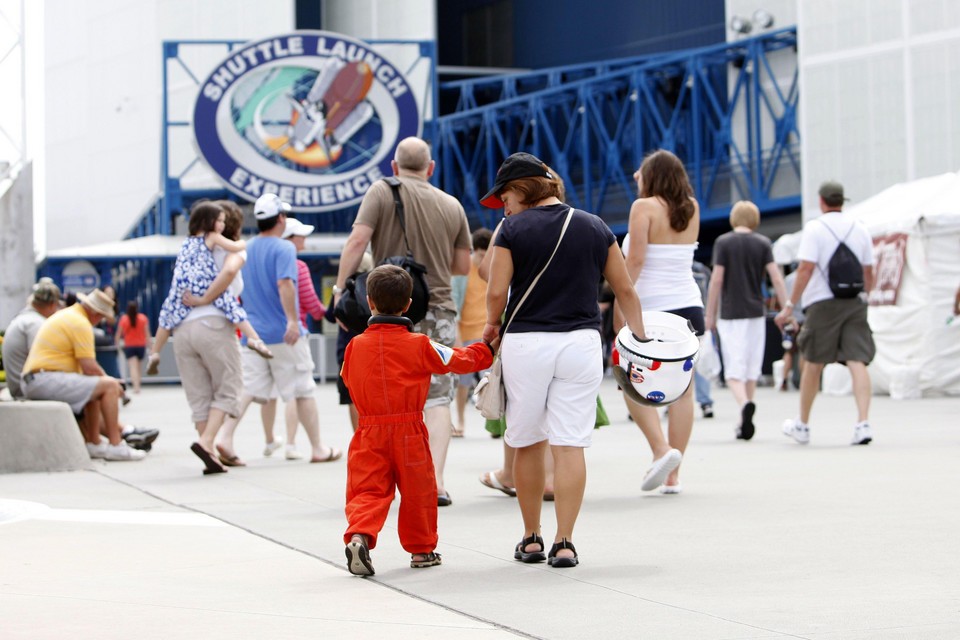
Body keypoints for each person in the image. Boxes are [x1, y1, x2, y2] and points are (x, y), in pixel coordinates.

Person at [481, 152, 647, 568]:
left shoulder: (511, 229)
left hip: (527, 343)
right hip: (581, 343)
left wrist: (489, 324)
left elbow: (497, 290)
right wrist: (640, 338)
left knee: (526, 440)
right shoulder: (595, 225)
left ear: (524, 188)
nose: (503, 204)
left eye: (505, 195)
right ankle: (566, 541)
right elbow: (624, 290)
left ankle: (532, 537)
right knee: (570, 444)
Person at [334, 137, 471, 506]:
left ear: (394, 167)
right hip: (439, 307)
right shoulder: (452, 204)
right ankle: (436, 482)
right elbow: (462, 267)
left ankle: (382, 480)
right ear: (431, 168)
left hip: (391, 310)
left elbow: (357, 240)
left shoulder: (381, 190)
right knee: (438, 397)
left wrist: (339, 288)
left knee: (386, 397)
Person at [342, 265, 494, 576]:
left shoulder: (354, 346)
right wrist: (488, 349)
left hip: (369, 430)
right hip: (409, 429)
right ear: (409, 304)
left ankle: (360, 535)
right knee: (418, 492)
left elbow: (348, 379)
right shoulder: (420, 344)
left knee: (368, 490)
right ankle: (422, 551)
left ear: (369, 302)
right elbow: (459, 360)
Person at [216, 193, 340, 464]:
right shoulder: (284, 249)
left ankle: (224, 437)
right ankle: (318, 448)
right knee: (303, 389)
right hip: (285, 335)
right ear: (281, 219)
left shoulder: (245, 248)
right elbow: (286, 285)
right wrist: (293, 321)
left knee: (248, 389)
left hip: (253, 334)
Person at [620, 149, 702, 494]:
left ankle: (660, 449)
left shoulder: (643, 208)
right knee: (683, 392)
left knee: (632, 382)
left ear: (651, 175)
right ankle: (673, 474)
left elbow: (635, 261)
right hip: (689, 307)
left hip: (651, 311)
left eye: (640, 172)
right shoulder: (692, 207)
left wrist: (621, 308)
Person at [775, 180, 875, 445]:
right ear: (843, 201)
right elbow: (868, 271)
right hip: (854, 301)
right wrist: (867, 295)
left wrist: (789, 304)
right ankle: (863, 423)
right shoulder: (860, 227)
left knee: (813, 362)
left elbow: (806, 269)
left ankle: (803, 425)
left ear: (821, 201)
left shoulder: (815, 229)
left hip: (822, 302)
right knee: (857, 360)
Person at [154, 201, 249, 473]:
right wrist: (207, 298)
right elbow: (230, 271)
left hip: (182, 328)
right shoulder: (226, 247)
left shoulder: (188, 247)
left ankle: (208, 453)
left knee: (199, 394)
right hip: (214, 323)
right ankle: (207, 442)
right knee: (229, 386)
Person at [147, 201, 272, 376]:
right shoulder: (212, 237)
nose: (222, 224)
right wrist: (244, 244)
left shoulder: (187, 241)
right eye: (220, 220)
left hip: (182, 288)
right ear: (209, 221)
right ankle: (255, 339)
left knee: (166, 315)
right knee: (230, 303)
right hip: (203, 284)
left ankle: (154, 353)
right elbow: (234, 250)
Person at [21, 289, 145, 461]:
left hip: (36, 379)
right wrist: (113, 383)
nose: (99, 321)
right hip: (43, 379)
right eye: (101, 316)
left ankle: (93, 442)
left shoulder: (70, 315)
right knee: (107, 386)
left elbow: (89, 374)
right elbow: (89, 367)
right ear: (94, 313)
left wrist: (103, 380)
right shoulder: (80, 322)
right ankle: (116, 445)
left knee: (94, 386)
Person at [705, 200, 789, 440]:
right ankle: (744, 422)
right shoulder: (763, 243)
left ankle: (744, 405)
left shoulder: (724, 242)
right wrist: (786, 308)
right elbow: (777, 277)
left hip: (731, 314)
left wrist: (710, 314)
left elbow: (717, 280)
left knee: (733, 370)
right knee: (751, 369)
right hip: (756, 312)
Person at [323, 252, 374, 437]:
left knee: (352, 397)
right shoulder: (371, 288)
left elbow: (330, 316)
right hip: (370, 348)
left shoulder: (342, 290)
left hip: (346, 351)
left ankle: (359, 435)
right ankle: (372, 434)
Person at [451, 227, 493, 436]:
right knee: (463, 382)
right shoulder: (463, 269)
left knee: (493, 380)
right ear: (473, 251)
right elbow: (455, 302)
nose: (483, 259)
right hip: (466, 332)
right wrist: (457, 335)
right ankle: (460, 421)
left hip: (487, 331)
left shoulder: (493, 267)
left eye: (487, 255)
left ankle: (495, 424)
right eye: (480, 255)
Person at [3, 279, 63, 400]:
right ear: (53, 305)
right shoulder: (36, 323)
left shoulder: (24, 319)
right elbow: (42, 363)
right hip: (24, 389)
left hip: (18, 386)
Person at [691, 261, 715, 418]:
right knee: (700, 359)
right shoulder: (702, 269)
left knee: (676, 363)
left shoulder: (667, 263)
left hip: (675, 318)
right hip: (700, 315)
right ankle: (705, 402)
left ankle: (673, 399)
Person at [115, 301, 151, 394]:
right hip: (141, 345)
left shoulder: (124, 319)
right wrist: (151, 346)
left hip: (129, 345)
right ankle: (138, 385)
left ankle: (135, 386)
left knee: (132, 367)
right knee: (138, 367)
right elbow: (147, 334)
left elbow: (118, 334)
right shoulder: (143, 318)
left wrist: (117, 346)